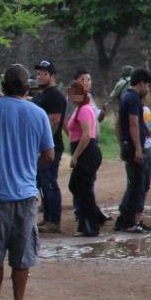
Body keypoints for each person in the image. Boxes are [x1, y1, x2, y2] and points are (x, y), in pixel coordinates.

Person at [0, 65, 54, 300]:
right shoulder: (38, 113)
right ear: (27, 87)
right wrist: (30, 166)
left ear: (3, 85)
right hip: (25, 195)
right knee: (22, 254)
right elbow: (49, 154)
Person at [63, 80, 107, 236]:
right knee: (77, 186)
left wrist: (75, 156)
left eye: (73, 93)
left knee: (83, 188)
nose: (70, 97)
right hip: (84, 151)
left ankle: (91, 225)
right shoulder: (79, 109)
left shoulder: (84, 110)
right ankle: (95, 217)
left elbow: (86, 135)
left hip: (87, 152)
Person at [113, 68, 151, 233]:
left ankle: (124, 219)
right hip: (133, 147)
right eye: (147, 85)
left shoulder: (126, 97)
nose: (147, 89)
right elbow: (133, 124)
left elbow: (119, 124)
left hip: (127, 145)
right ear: (141, 83)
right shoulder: (133, 99)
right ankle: (129, 222)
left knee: (134, 184)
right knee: (137, 185)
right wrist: (137, 148)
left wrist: (122, 145)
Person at [29, 59, 66, 234]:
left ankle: (54, 220)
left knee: (49, 181)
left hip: (51, 146)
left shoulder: (55, 96)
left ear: (52, 76)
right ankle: (48, 217)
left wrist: (44, 145)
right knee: (42, 182)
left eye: (44, 73)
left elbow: (54, 122)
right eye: (38, 73)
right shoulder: (39, 96)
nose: (40, 76)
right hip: (38, 147)